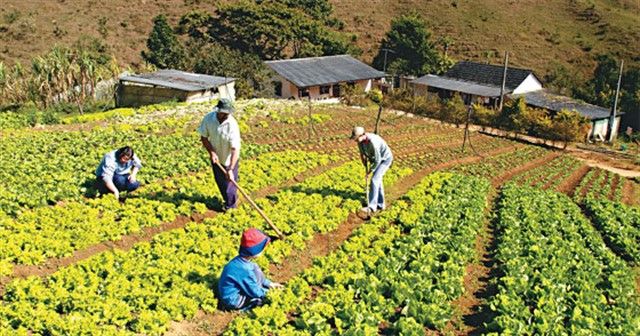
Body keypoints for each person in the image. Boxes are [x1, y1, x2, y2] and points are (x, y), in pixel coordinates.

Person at [218, 228, 283, 311]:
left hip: (241, 288)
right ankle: (243, 308)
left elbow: (256, 277)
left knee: (255, 268)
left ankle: (262, 288)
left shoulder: (242, 261)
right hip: (234, 299)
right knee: (259, 301)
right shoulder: (243, 270)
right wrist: (270, 294)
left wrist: (270, 284)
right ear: (255, 251)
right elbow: (254, 291)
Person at [198, 98, 241, 212]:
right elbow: (204, 137)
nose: (226, 115)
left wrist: (231, 169)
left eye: (228, 113)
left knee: (230, 185)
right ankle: (229, 201)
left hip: (229, 159)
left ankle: (231, 207)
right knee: (221, 183)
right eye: (224, 113)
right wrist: (212, 152)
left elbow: (235, 149)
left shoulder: (232, 124)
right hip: (216, 158)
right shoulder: (208, 119)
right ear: (218, 111)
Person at [351, 126, 393, 218]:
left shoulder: (373, 142)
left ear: (362, 135)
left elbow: (378, 160)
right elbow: (361, 153)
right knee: (378, 180)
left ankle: (372, 207)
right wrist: (363, 161)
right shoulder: (360, 142)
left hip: (385, 159)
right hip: (376, 159)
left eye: (356, 138)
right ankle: (381, 205)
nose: (355, 141)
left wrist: (369, 172)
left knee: (374, 180)